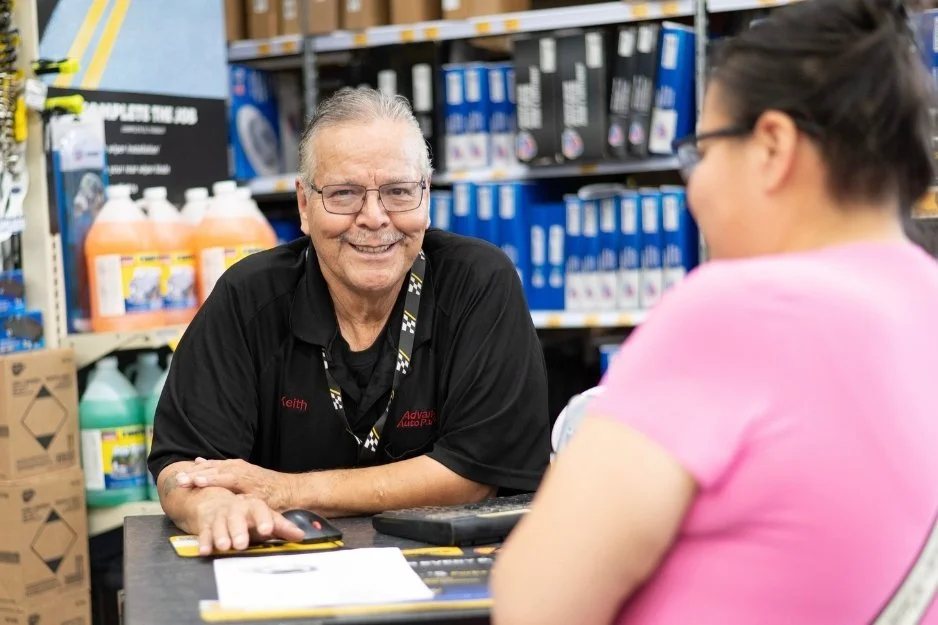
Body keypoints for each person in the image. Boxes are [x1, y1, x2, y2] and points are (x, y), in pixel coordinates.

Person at [492, 1, 938, 624]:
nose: (693, 189)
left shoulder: (734, 314)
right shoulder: (925, 304)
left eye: (702, 151)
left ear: (773, 147)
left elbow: (535, 601)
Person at [148, 87, 550, 556]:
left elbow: (473, 476)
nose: (375, 218)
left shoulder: (479, 283)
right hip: (288, 572)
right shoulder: (247, 298)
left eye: (399, 192)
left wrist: (286, 491)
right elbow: (182, 468)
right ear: (304, 204)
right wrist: (215, 508)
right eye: (344, 195)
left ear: (427, 195)